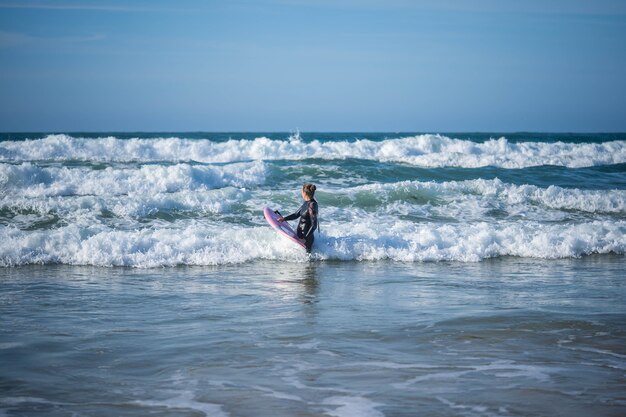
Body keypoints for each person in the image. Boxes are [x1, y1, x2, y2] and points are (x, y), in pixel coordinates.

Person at [278, 183, 319, 253]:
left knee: (308, 261)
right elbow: (296, 214)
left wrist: (305, 238)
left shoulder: (312, 205)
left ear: (304, 192)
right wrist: (284, 219)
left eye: (301, 191)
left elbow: (314, 225)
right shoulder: (306, 203)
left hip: (306, 239)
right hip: (301, 237)